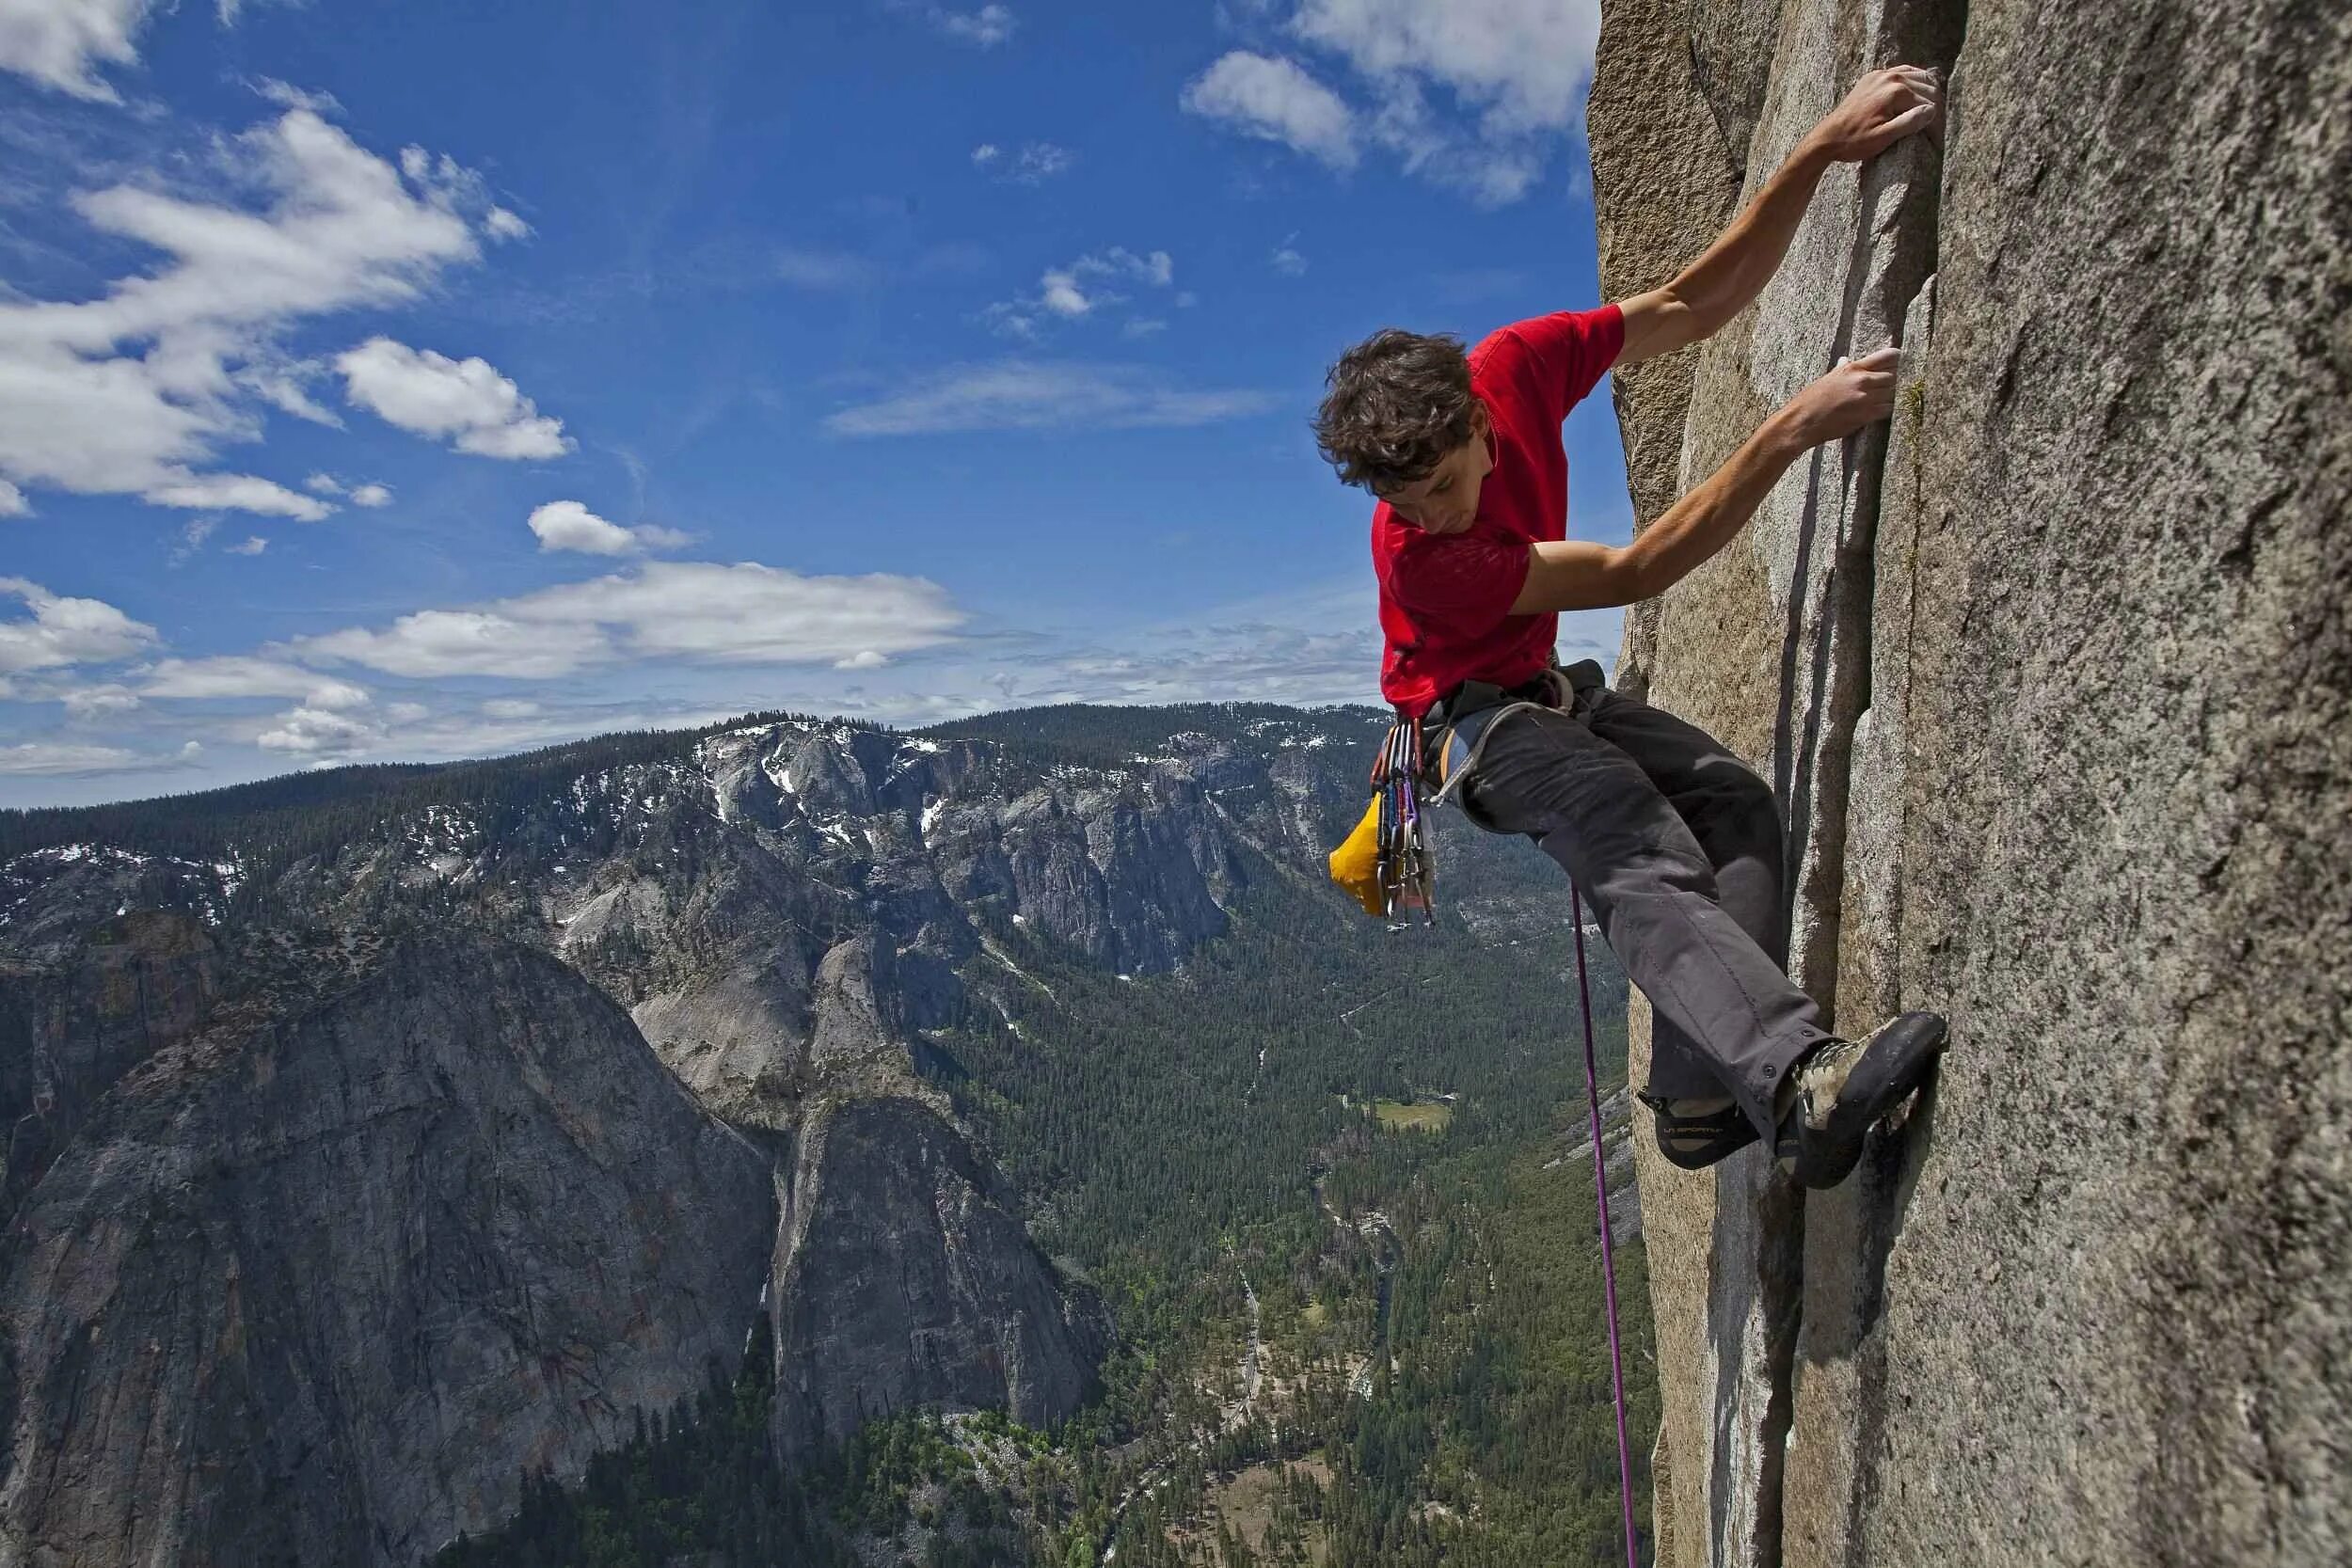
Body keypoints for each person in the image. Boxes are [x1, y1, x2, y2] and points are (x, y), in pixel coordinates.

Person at [1313, 67, 1951, 1189]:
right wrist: (1787, 430)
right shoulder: (1426, 561)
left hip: (1543, 689)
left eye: (1445, 486)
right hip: (1473, 726)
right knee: (1628, 827)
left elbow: (1694, 304)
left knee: (1730, 804)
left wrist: (1815, 150)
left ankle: (1702, 1094)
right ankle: (1796, 1081)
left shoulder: (1515, 364)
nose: (1428, 515)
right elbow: (1634, 567)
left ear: (1473, 413)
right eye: (1401, 503)